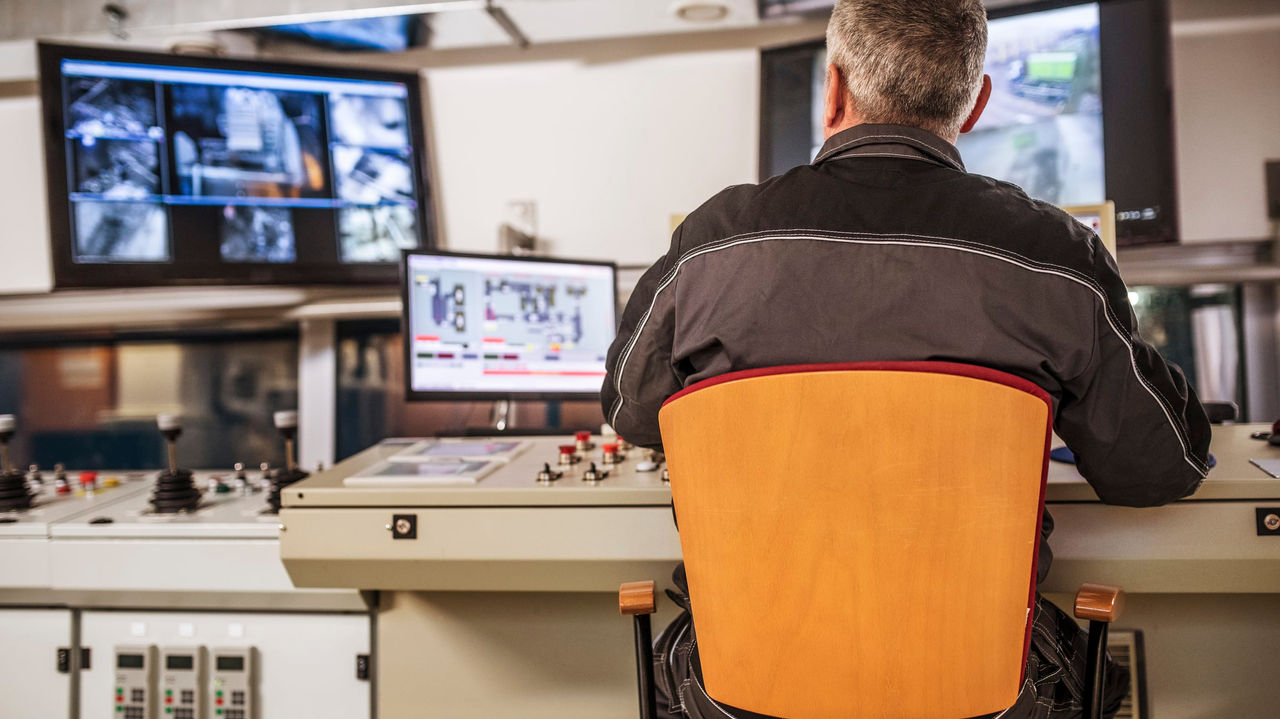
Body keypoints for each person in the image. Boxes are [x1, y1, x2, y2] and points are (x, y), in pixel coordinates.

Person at [600, 1, 1212, 717]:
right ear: (977, 103)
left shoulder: (711, 243)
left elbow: (630, 411)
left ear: (832, 89)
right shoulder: (1057, 258)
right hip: (985, 696)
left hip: (738, 693)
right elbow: (1159, 465)